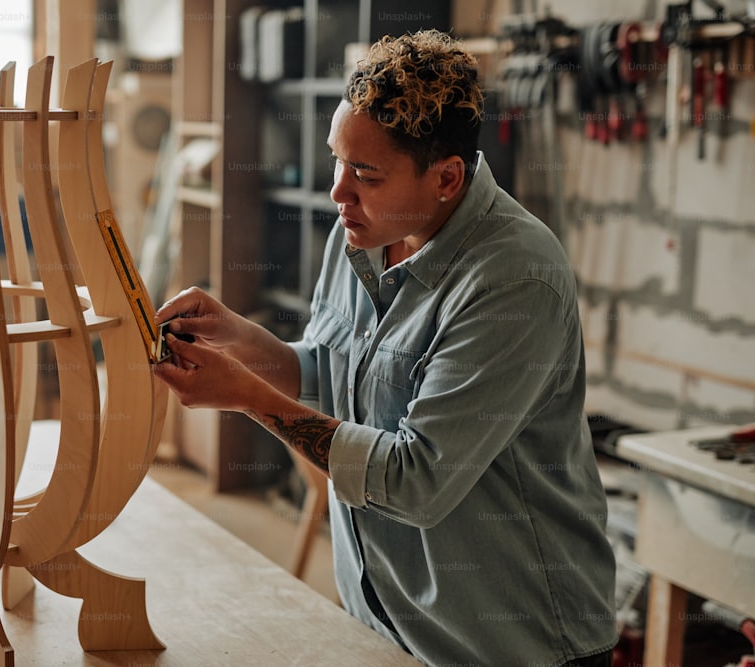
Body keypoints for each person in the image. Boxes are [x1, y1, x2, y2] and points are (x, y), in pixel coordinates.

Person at [154, 30, 616, 666]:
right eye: (337, 161)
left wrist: (245, 398)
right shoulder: (363, 231)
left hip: (510, 642)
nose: (338, 191)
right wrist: (240, 338)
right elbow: (326, 374)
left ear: (447, 178)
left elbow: (416, 482)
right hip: (385, 625)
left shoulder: (514, 280)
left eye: (365, 174)